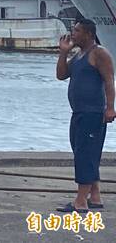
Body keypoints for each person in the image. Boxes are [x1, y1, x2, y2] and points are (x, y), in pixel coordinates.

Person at [55, 19, 116, 213]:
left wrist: (110, 108)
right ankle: (95, 196)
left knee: (85, 155)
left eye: (77, 31)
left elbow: (109, 81)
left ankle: (80, 201)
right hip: (79, 112)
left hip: (92, 113)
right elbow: (61, 75)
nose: (73, 34)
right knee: (84, 152)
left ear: (89, 34)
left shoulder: (99, 53)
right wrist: (63, 53)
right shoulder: (79, 55)